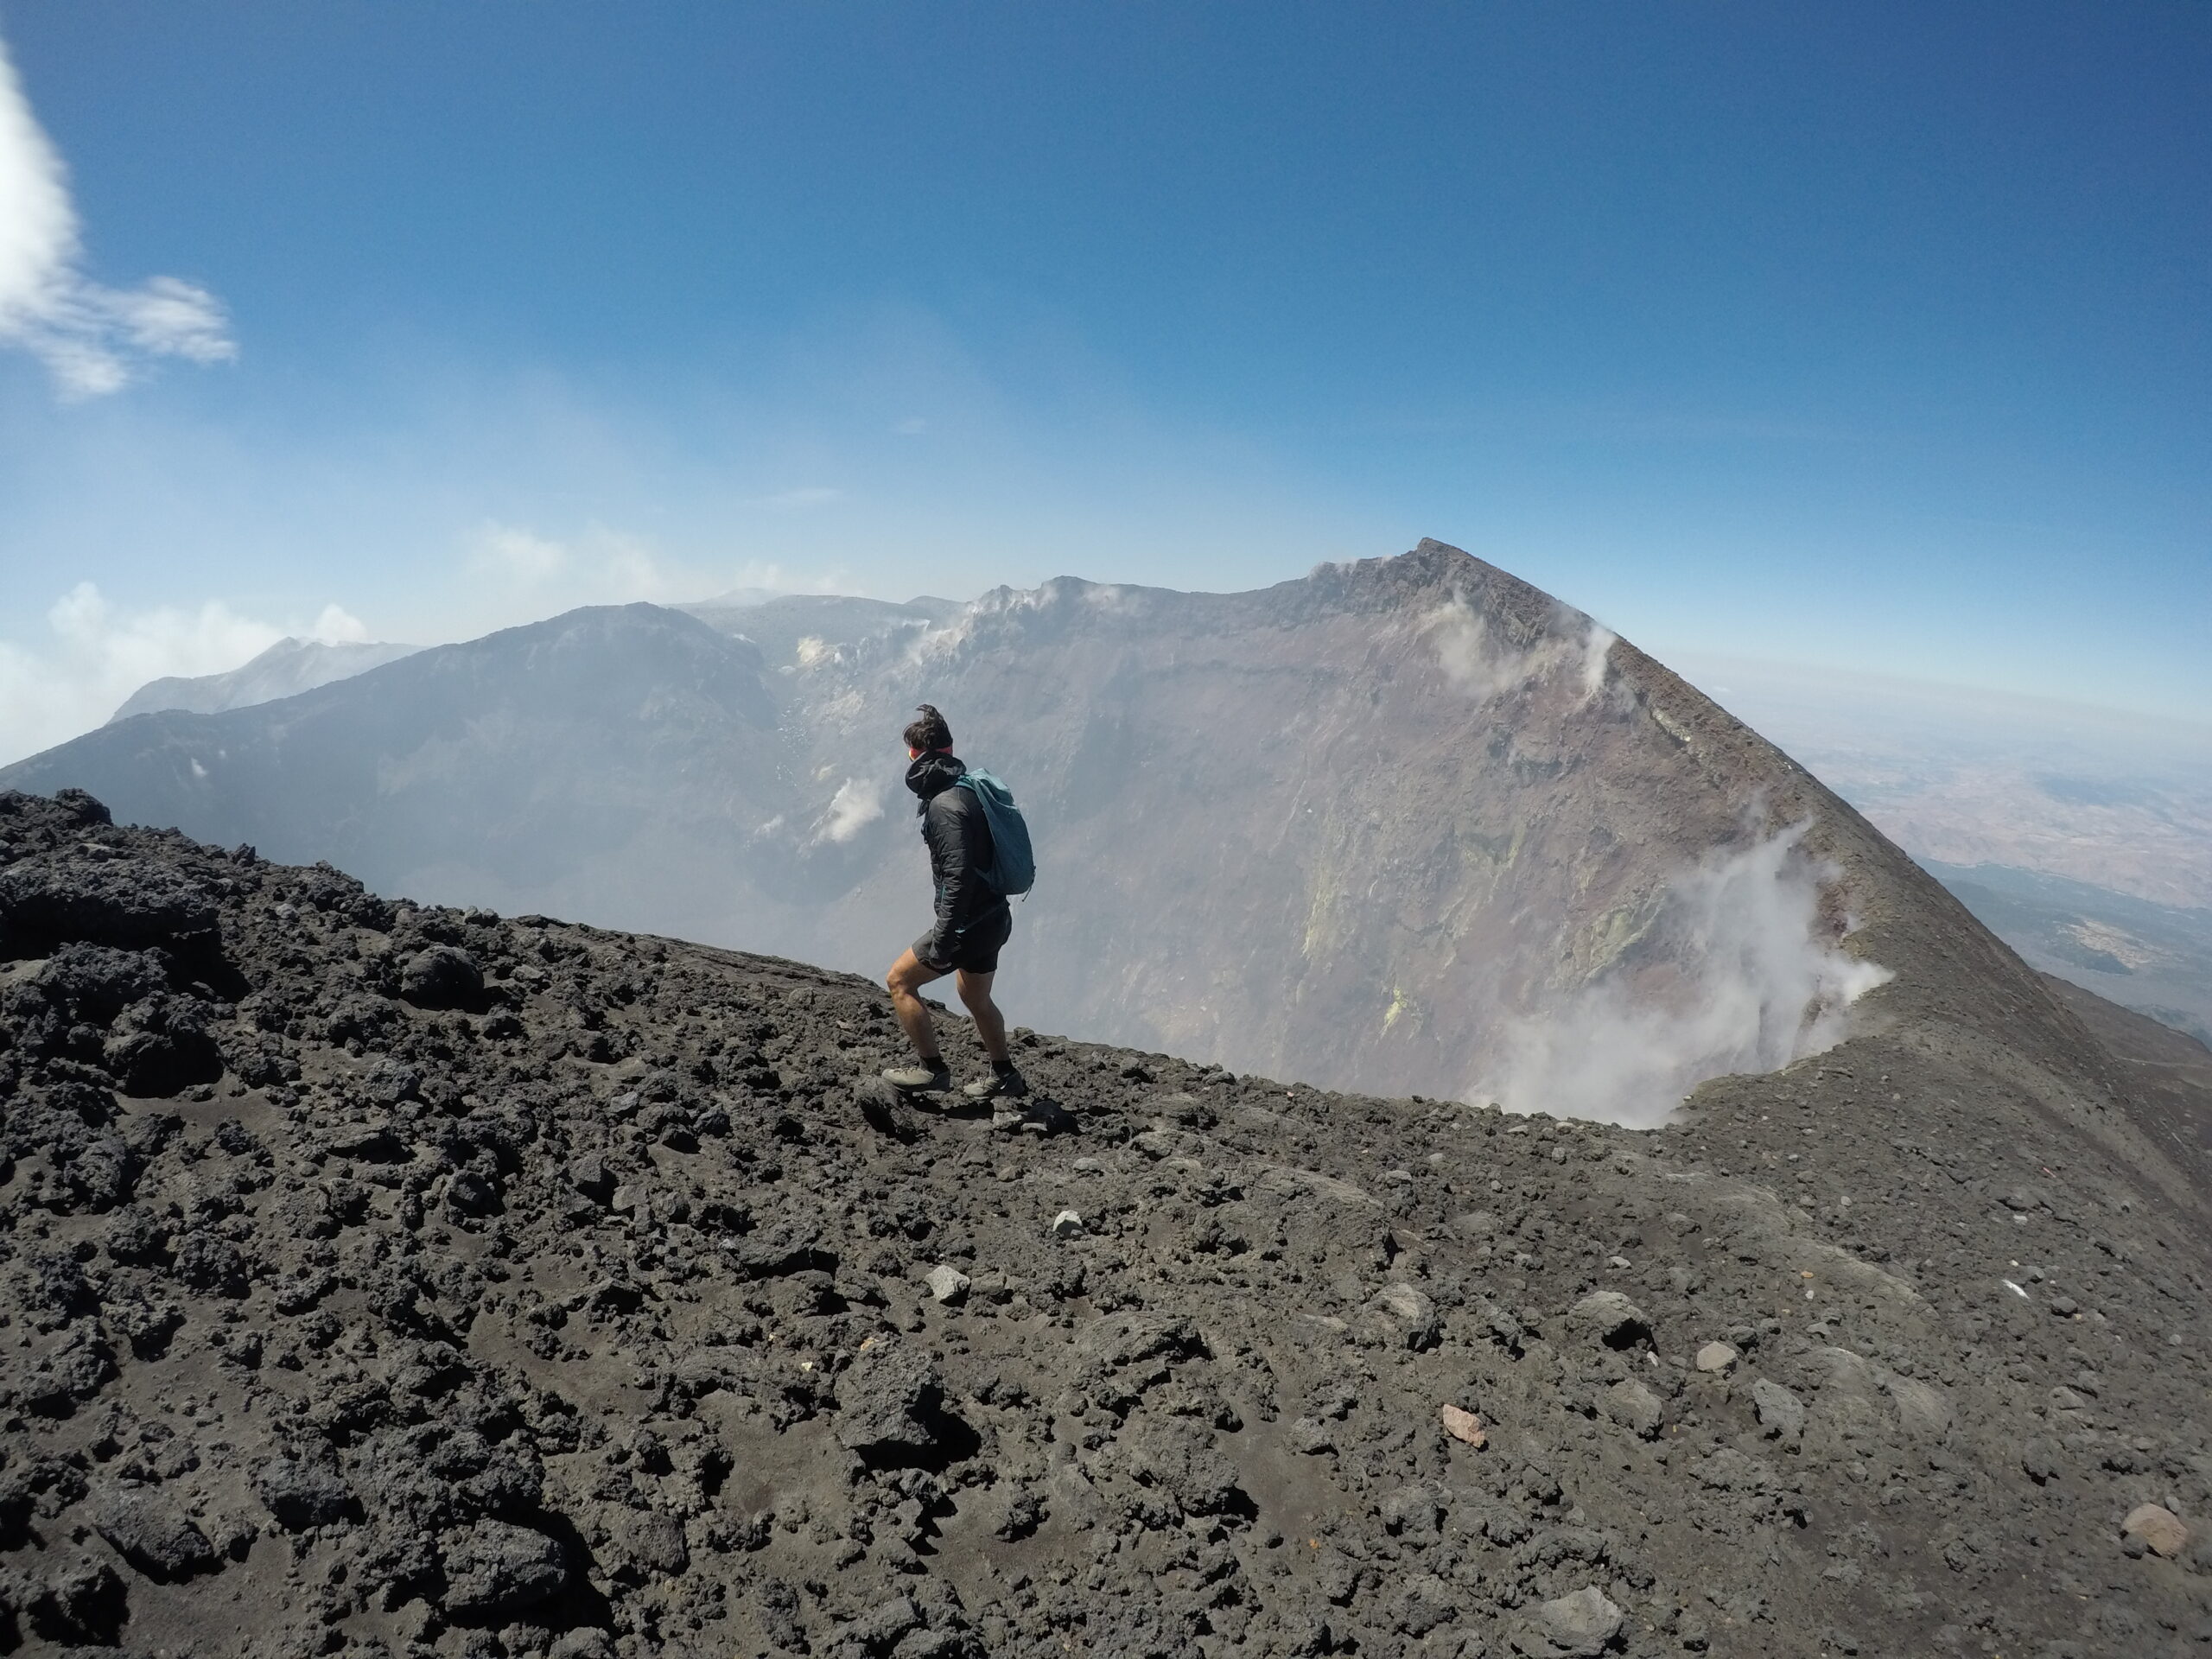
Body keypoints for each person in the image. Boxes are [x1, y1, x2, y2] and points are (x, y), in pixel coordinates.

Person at [881, 704, 1028, 1102]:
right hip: (994, 917)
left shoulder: (944, 806)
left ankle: (933, 1072)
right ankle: (1005, 1076)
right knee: (975, 997)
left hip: (967, 924)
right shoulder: (970, 789)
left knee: (899, 981)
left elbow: (958, 877)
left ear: (917, 755)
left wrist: (945, 941)